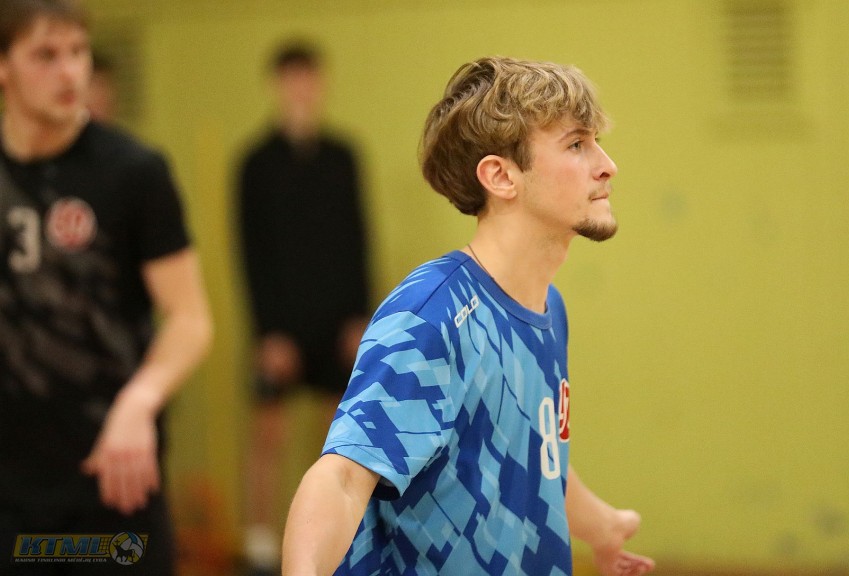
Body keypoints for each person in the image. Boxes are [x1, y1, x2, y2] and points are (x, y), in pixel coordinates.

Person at [282, 56, 656, 576]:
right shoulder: (433, 313)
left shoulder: (548, 307)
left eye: (596, 141)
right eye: (576, 144)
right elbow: (342, 479)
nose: (607, 164)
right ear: (501, 176)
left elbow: (529, 455)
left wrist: (603, 526)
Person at [0, 1, 213, 574]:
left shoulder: (133, 171)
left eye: (78, 52)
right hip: (11, 491)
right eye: (45, 55)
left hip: (112, 479)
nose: (69, 71)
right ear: (4, 65)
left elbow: (190, 318)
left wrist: (139, 402)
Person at [236, 40, 370, 575]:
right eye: (291, 78)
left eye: (309, 78)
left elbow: (358, 239)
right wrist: (267, 331)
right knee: (268, 433)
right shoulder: (254, 163)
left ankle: (330, 545)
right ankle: (260, 543)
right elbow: (250, 251)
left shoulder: (343, 157)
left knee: (335, 439)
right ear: (277, 85)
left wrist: (361, 318)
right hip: (280, 325)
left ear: (321, 83)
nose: (301, 89)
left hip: (337, 321)